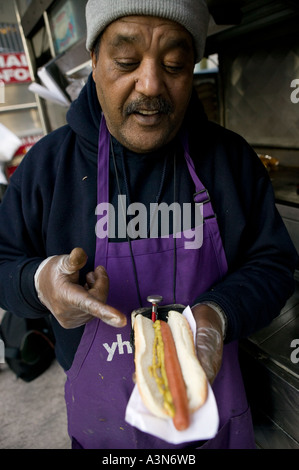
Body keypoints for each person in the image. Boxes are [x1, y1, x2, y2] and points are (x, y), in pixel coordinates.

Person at [0, 0, 297, 449]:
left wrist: (218, 314)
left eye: (175, 65)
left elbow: (273, 263)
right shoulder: (48, 167)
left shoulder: (230, 160)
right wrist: (40, 283)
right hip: (104, 427)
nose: (151, 84)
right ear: (94, 62)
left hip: (214, 417)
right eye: (126, 61)